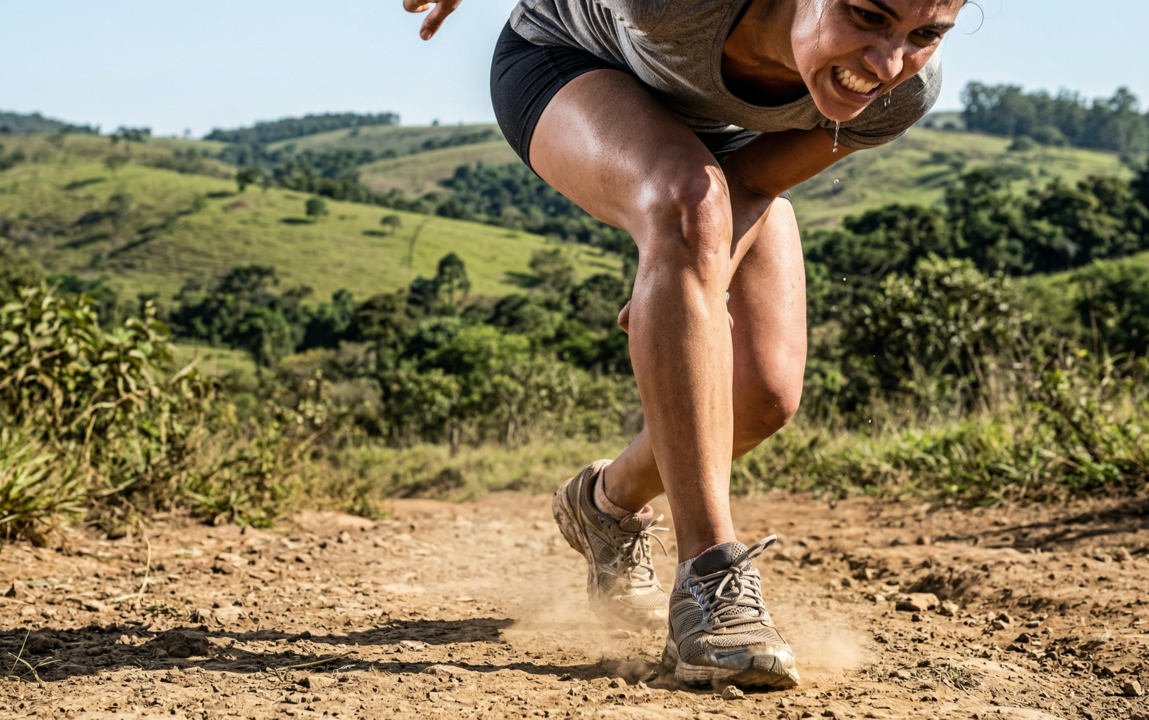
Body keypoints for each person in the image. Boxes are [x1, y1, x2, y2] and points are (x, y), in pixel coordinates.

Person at [403, 0, 965, 688]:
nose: (887, 62)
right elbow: (700, 204)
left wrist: (700, 277)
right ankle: (710, 583)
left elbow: (754, 178)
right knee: (686, 200)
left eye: (925, 33)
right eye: (865, 14)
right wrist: (685, 256)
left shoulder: (897, 93)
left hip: (724, 142)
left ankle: (604, 505)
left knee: (759, 396)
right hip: (573, 65)